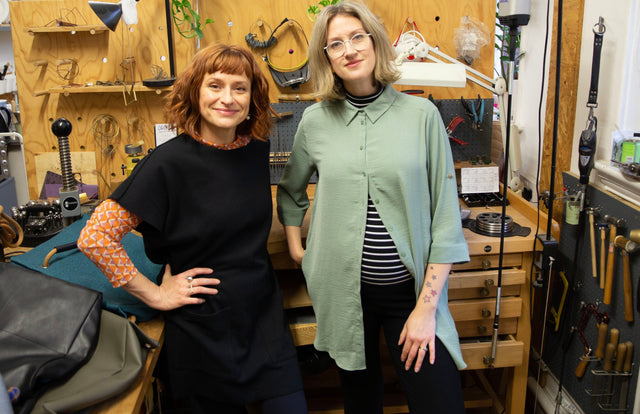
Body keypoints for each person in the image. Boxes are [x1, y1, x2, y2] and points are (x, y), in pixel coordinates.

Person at [78, 44, 308, 414]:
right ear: (195, 91)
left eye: (239, 87)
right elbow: (95, 238)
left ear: (252, 98)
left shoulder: (255, 151)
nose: (227, 98)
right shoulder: (167, 163)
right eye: (215, 85)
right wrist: (154, 295)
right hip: (202, 330)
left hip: (262, 319)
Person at [276, 1, 470, 413]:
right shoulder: (313, 121)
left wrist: (426, 308)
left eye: (357, 37)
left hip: (411, 295)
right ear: (326, 57)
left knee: (440, 402)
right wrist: (297, 247)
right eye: (335, 44)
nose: (349, 50)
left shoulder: (422, 116)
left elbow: (445, 219)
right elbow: (290, 191)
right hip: (345, 295)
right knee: (361, 403)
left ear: (375, 42)